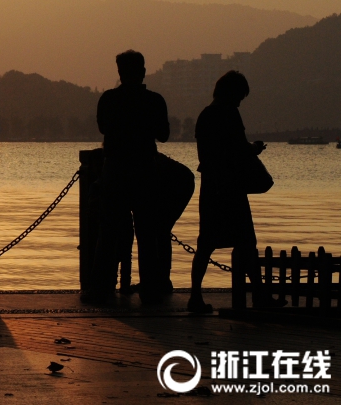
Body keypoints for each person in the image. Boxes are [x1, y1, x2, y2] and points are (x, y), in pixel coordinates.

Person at [188, 71, 285, 313]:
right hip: (231, 187)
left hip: (211, 187)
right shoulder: (229, 113)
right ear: (232, 93)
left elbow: (208, 153)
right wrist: (254, 148)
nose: (241, 101)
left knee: (206, 243)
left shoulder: (205, 115)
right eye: (240, 96)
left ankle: (195, 296)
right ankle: (260, 296)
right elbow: (239, 149)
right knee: (247, 242)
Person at [91, 50, 170, 304]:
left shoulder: (108, 99)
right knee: (147, 231)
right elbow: (164, 134)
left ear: (119, 73)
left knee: (109, 231)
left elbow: (103, 127)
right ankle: (150, 286)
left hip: (114, 169)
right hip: (145, 169)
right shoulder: (155, 100)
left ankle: (102, 286)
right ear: (143, 71)